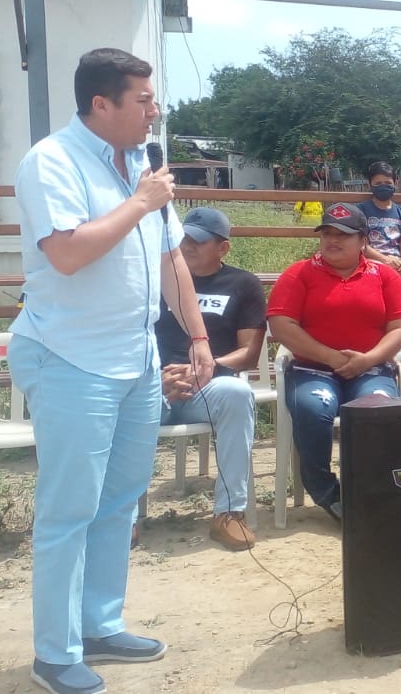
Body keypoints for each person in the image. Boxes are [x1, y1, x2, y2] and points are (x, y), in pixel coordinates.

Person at [9, 48, 213, 694]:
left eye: (154, 100)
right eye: (144, 100)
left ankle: (99, 624)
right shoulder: (52, 161)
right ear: (102, 103)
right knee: (69, 509)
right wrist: (141, 202)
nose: (155, 111)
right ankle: (55, 653)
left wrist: (198, 336)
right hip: (71, 357)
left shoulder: (139, 164)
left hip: (136, 359)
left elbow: (172, 260)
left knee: (120, 501)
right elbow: (68, 253)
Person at [267, 204, 401, 524]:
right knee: (313, 409)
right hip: (312, 369)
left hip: (371, 367)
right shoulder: (299, 273)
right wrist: (331, 357)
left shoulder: (384, 275)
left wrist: (369, 359)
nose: (333, 240)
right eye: (327, 234)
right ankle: (326, 492)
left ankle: (369, 489)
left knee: (377, 410)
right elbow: (281, 325)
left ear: (363, 241)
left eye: (343, 235)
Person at [154, 207, 265, 552]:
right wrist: (156, 378)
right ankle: (120, 516)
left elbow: (248, 353)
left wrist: (207, 368)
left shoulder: (242, 285)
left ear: (223, 248)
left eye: (198, 241)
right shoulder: (155, 280)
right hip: (154, 384)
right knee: (120, 399)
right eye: (183, 238)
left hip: (208, 384)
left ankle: (229, 513)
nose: (187, 246)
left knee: (237, 393)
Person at [356, 161, 401, 303]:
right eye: (378, 183)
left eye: (387, 183)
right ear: (370, 185)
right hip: (370, 260)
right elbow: (361, 245)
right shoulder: (361, 210)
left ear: (395, 183)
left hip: (398, 261)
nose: (383, 186)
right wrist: (385, 260)